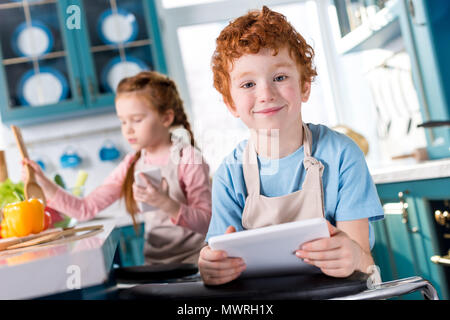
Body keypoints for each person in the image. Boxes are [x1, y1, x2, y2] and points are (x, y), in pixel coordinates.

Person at [198, 6, 384, 285]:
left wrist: (354, 257)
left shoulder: (343, 155)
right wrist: (213, 269)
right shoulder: (229, 175)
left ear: (305, 85)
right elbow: (221, 257)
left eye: (280, 78)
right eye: (248, 84)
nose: (265, 94)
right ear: (231, 104)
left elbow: (364, 260)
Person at [22, 71, 212, 265]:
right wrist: (43, 183)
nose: (128, 129)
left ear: (166, 118)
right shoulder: (132, 162)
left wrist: (165, 202)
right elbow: (84, 209)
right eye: (123, 121)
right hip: (155, 264)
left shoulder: (188, 158)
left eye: (137, 120)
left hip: (196, 261)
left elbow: (207, 221)